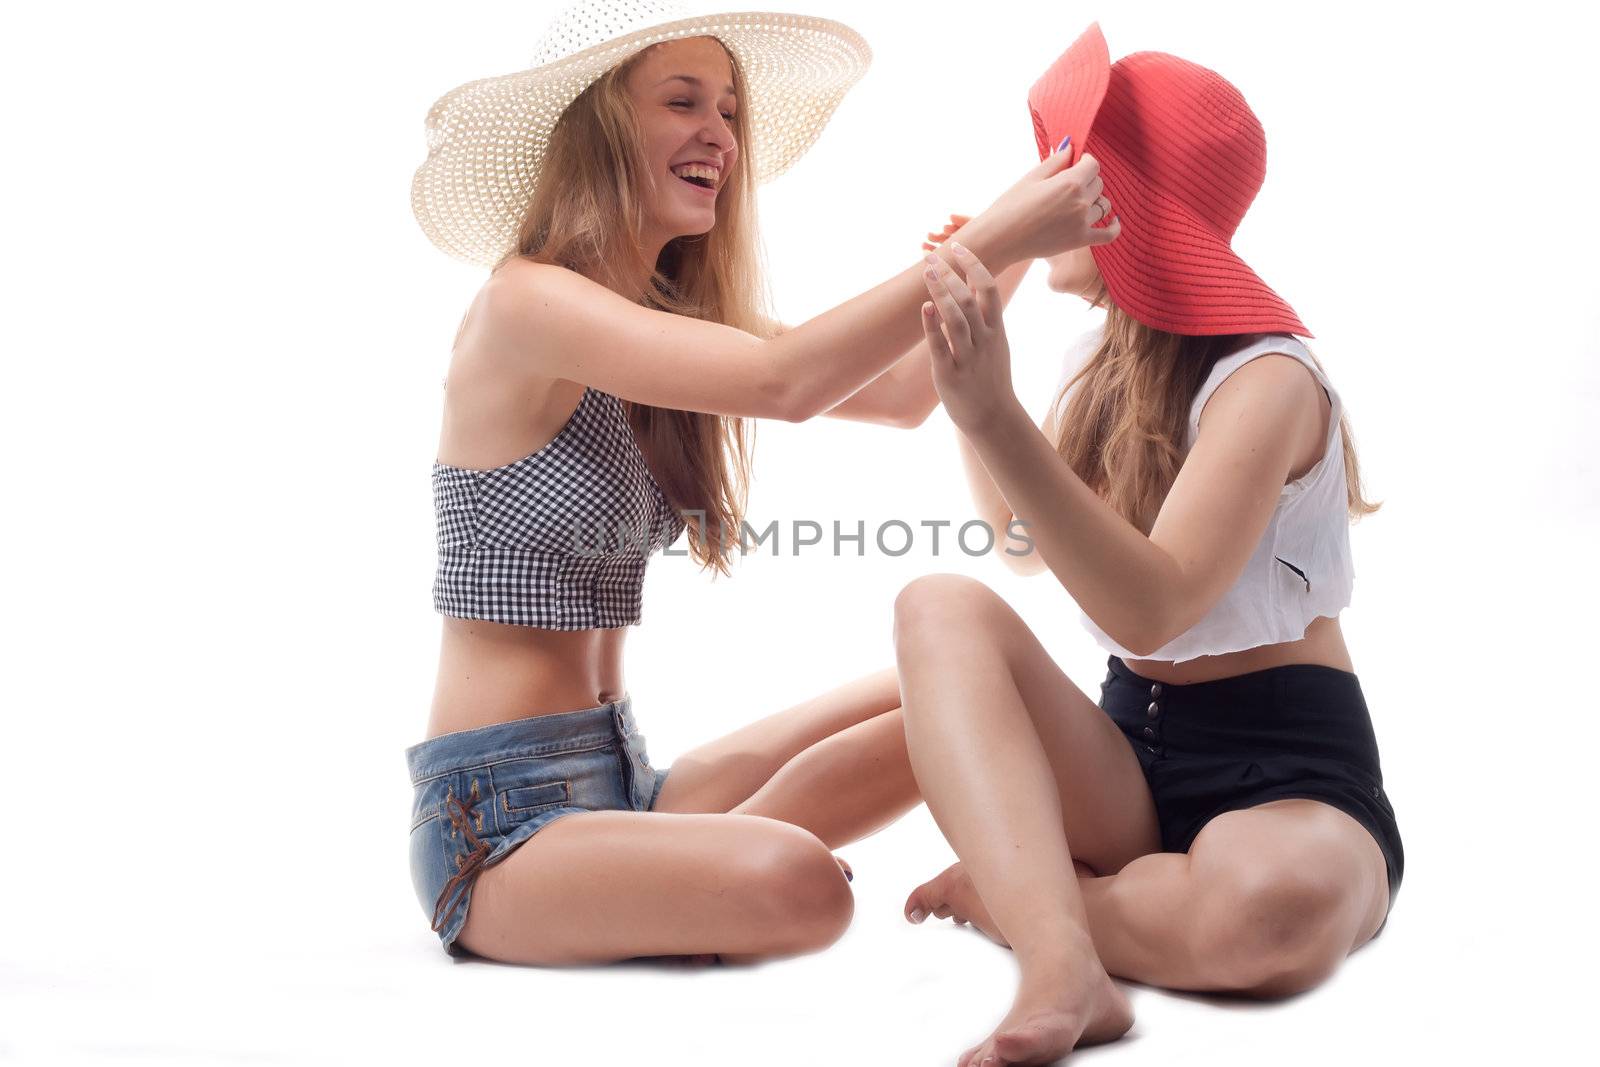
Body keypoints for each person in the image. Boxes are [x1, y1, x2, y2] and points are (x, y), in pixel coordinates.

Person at [403, 0, 1118, 965]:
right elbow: (786, 386)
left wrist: (1015, 246)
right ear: (601, 125)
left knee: (956, 703)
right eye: (683, 101)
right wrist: (988, 239)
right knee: (801, 886)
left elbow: (906, 393)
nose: (720, 134)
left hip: (623, 780)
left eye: (730, 111)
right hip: (499, 830)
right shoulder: (526, 303)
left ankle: (701, 868)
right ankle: (716, 867)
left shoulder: (665, 320)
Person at [890, 24, 1405, 1066]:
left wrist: (994, 414)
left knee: (1274, 912)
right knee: (936, 604)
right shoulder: (1103, 364)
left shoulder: (1270, 379)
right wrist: (966, 385)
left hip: (1285, 763)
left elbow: (1151, 605)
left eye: (1066, 164)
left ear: (1119, 195)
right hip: (1130, 750)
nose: (1039, 190)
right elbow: (1025, 545)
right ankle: (1065, 960)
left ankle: (1027, 896)